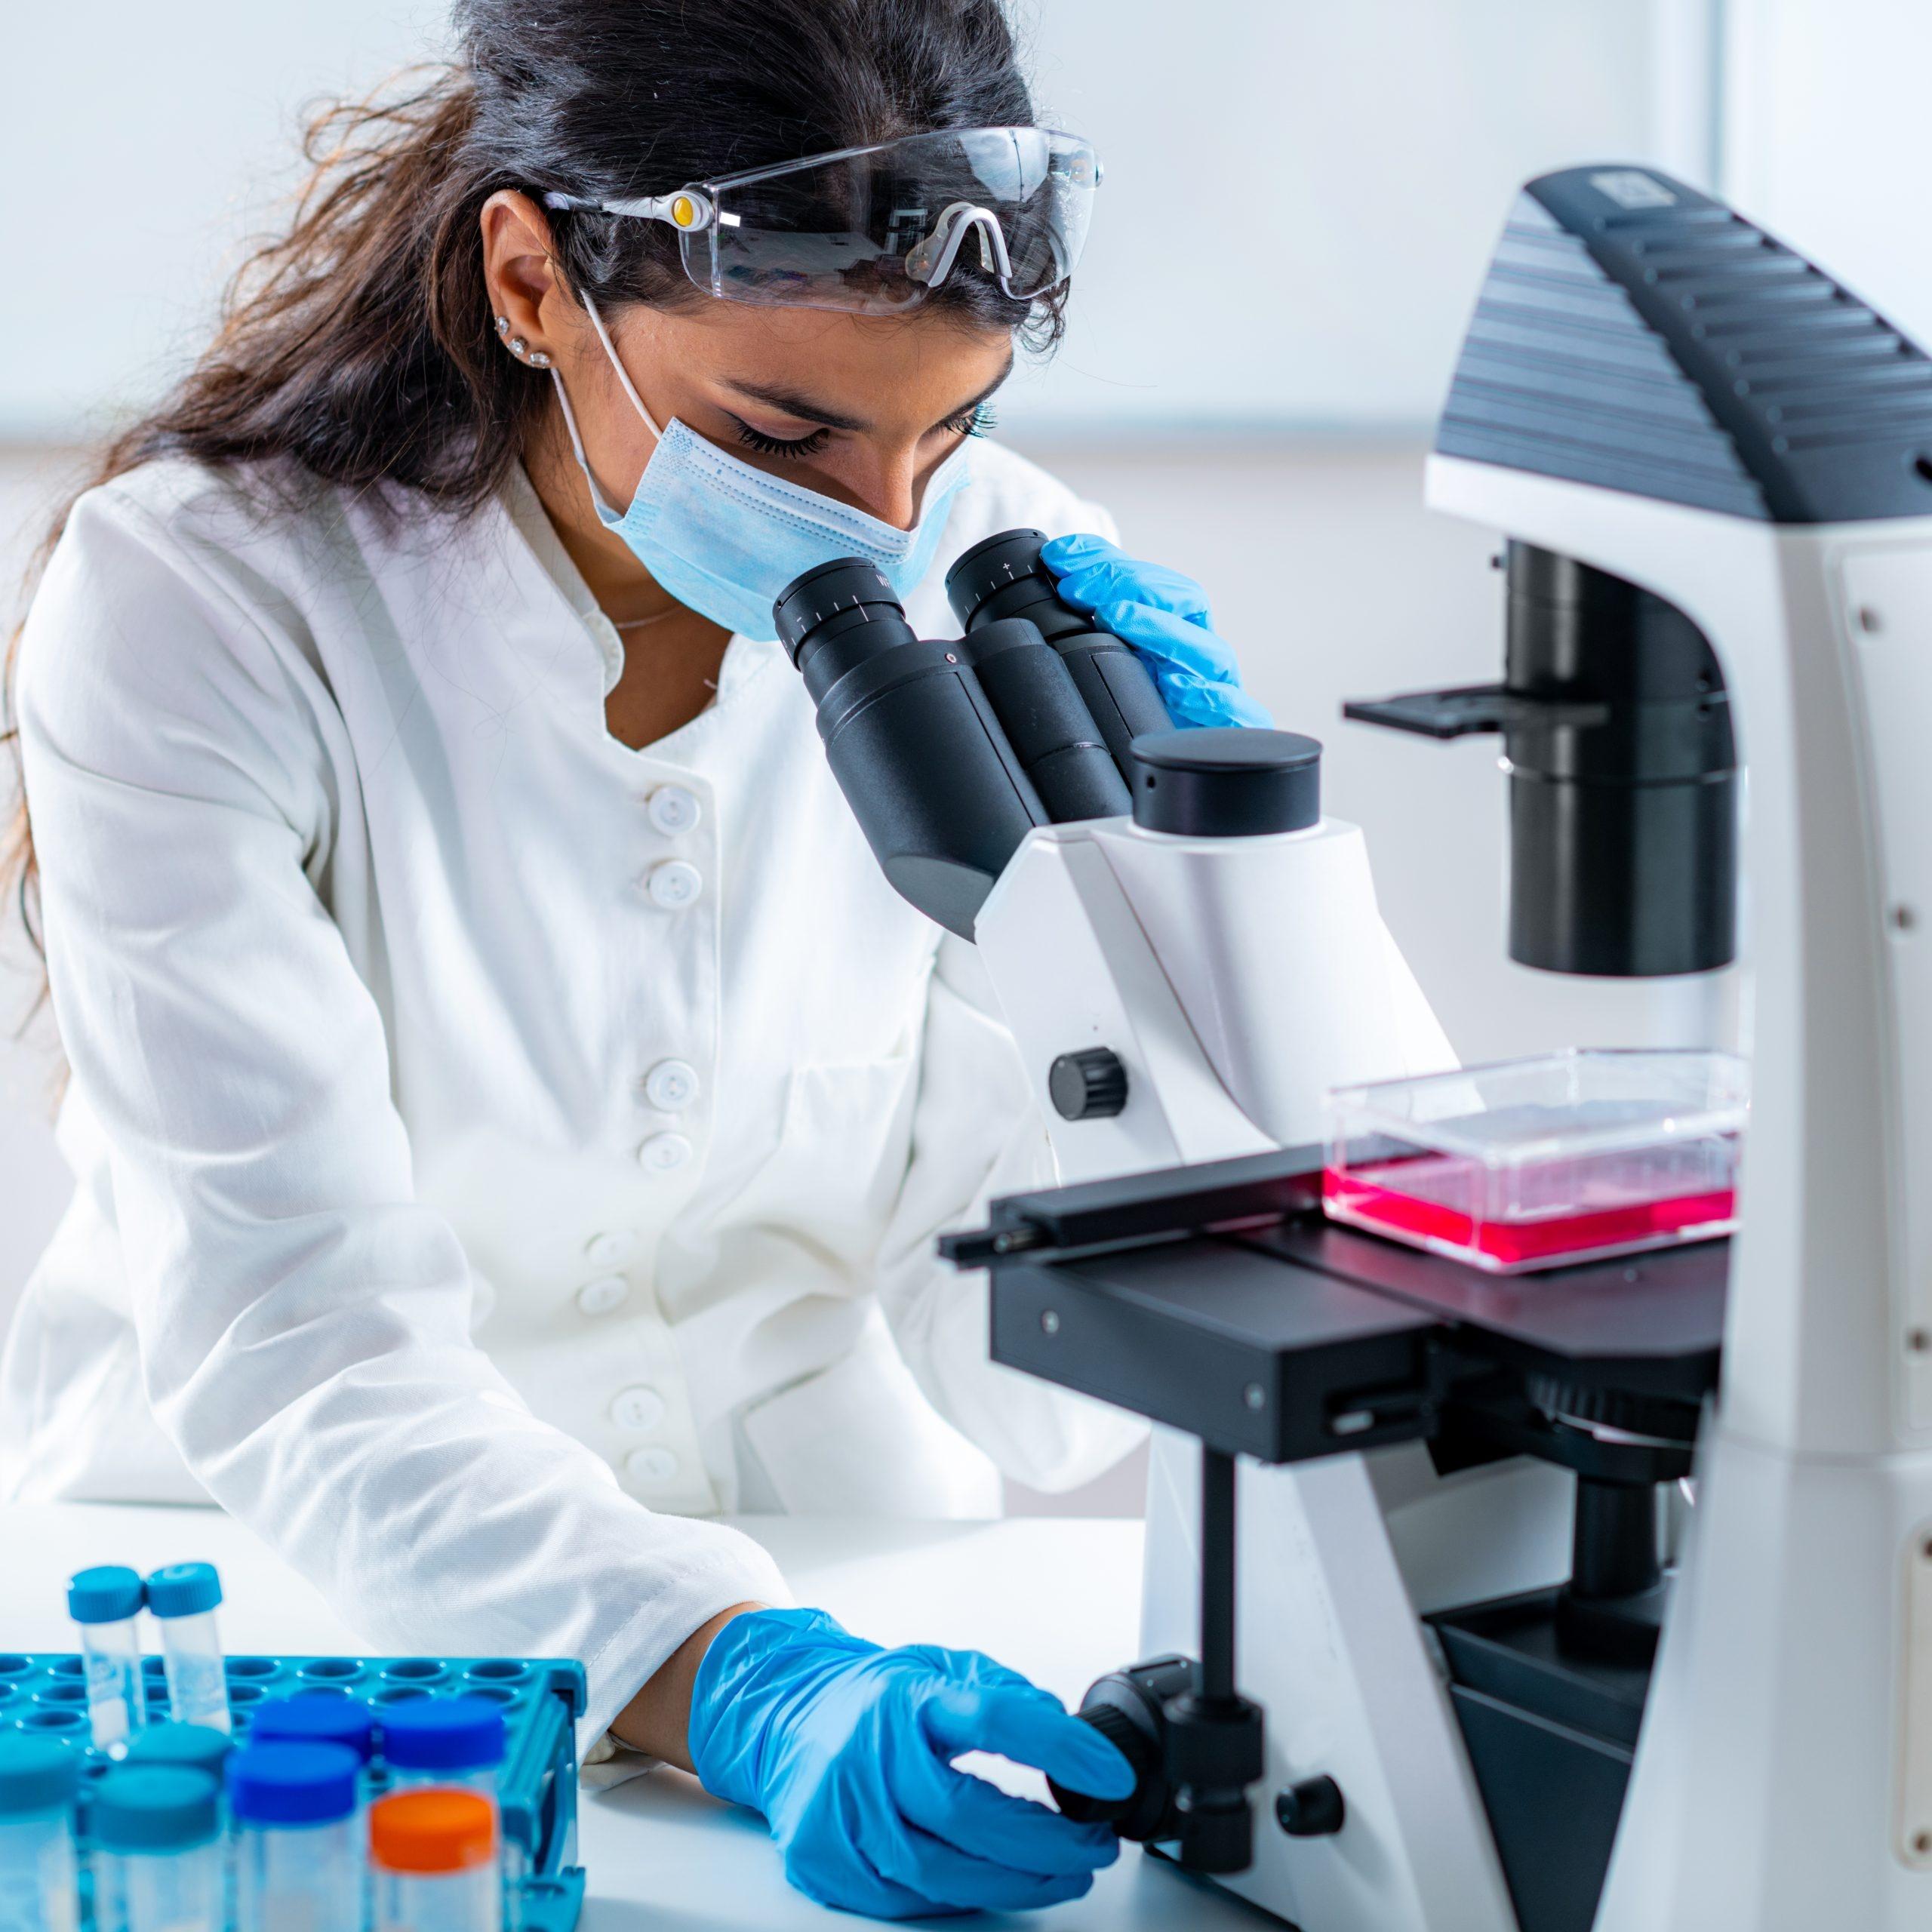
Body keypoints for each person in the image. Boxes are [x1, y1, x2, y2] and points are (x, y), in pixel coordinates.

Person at [0, 0, 1264, 1916]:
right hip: (275, 1625)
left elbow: (1049, 1395)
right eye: (781, 429)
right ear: (530, 278)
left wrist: (1167, 928)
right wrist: (733, 1677)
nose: (889, 522)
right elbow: (301, 1331)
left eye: (952, 424)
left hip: (868, 1596)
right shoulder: (208, 596)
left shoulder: (1006, 564)